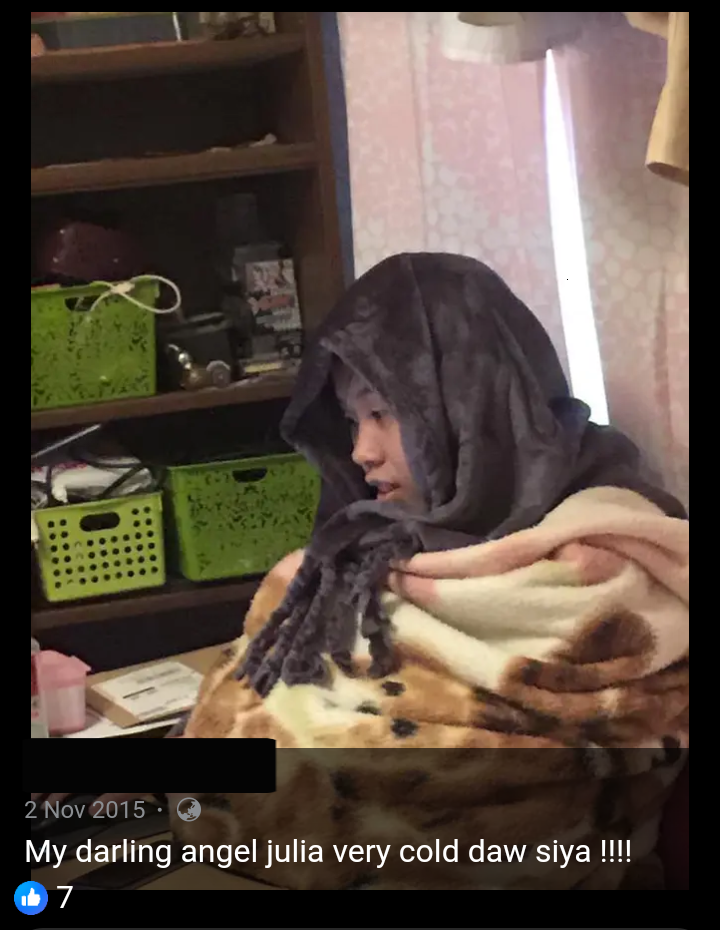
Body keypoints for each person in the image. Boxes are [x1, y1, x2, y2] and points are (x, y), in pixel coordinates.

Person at [36, 253, 689, 890]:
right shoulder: (376, 544)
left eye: (382, 414)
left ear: (470, 402)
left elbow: (470, 788)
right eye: (352, 421)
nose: (360, 451)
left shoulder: (606, 567)